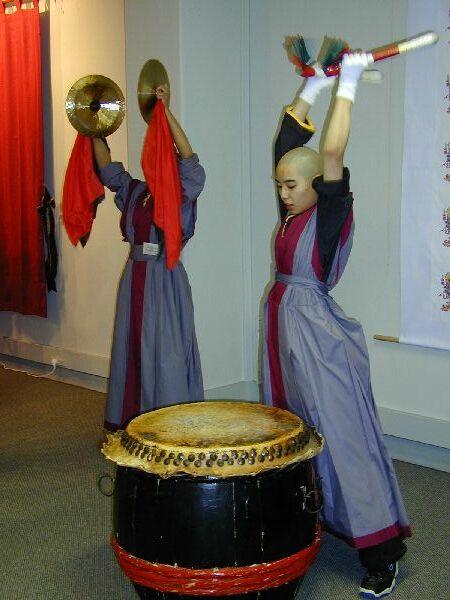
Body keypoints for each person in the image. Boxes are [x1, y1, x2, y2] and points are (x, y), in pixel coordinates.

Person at [263, 53, 411, 599]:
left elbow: (330, 152)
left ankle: (382, 554)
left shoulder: (328, 216)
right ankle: (312, 519)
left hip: (317, 336)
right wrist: (312, 86)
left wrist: (347, 83)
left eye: (291, 186)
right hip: (284, 329)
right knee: (295, 429)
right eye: (280, 185)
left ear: (315, 188)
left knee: (343, 436)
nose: (283, 193)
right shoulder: (291, 208)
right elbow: (289, 141)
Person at [93, 83, 205, 432]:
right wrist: (91, 126)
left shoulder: (181, 192)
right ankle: (133, 418)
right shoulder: (136, 191)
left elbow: (190, 159)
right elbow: (108, 169)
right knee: (134, 347)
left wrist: (164, 112)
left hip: (165, 279)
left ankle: (170, 424)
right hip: (135, 276)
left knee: (166, 350)